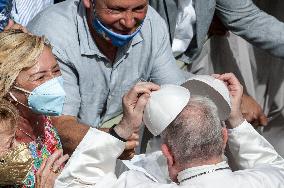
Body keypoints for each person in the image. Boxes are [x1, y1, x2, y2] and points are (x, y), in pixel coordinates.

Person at [52, 73, 284, 187]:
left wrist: (122, 130)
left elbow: (77, 182)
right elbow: (275, 167)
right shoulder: (265, 182)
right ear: (224, 138)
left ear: (168, 155)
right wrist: (236, 120)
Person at [27, 0, 189, 155]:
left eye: (138, 9)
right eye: (116, 10)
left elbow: (175, 90)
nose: (128, 22)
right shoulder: (54, 34)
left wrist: (206, 85)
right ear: (89, 2)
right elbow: (58, 128)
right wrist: (115, 139)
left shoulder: (152, 23)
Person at [149, 0, 284, 127]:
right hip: (150, 72)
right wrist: (225, 98)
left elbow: (249, 18)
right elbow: (154, 67)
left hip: (182, 62)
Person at [0, 29, 68, 187]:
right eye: (40, 77)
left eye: (56, 70)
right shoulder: (5, 137)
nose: (53, 82)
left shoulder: (41, 114)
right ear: (9, 87)